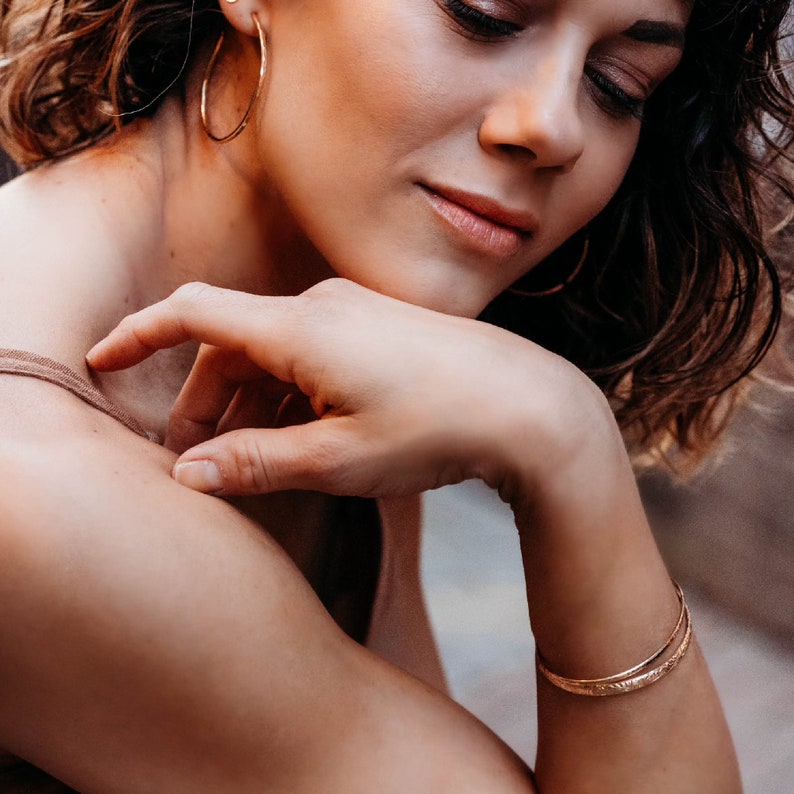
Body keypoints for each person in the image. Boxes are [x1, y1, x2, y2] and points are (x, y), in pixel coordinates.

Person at [0, 0, 790, 790]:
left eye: (618, 84)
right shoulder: (34, 481)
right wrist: (566, 442)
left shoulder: (337, 315)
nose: (555, 127)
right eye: (483, 17)